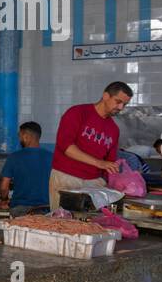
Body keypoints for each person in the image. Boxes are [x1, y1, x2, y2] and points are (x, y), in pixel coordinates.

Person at [49, 82, 132, 211]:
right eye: (118, 101)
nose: (121, 107)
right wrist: (99, 163)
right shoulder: (78, 113)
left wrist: (122, 181)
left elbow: (109, 163)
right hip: (66, 178)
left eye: (124, 104)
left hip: (94, 182)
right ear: (105, 96)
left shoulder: (114, 129)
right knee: (63, 223)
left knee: (93, 224)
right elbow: (66, 147)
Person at [0, 122, 54, 216]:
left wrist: (4, 200)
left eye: (20, 136)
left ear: (25, 136)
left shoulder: (14, 157)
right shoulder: (52, 157)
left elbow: (4, 188)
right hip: (45, 209)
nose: (19, 139)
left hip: (20, 209)